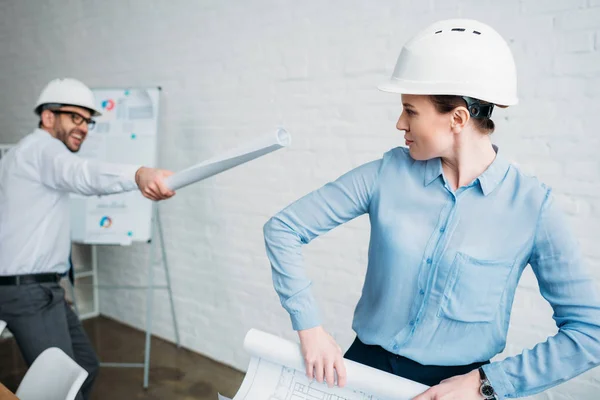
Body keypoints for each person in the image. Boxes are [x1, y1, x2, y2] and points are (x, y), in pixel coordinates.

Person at [263, 19, 600, 400]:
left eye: (411, 110)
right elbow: (283, 229)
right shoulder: (387, 173)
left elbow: (590, 332)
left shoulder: (533, 207)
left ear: (457, 118)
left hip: (457, 390)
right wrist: (310, 328)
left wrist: (486, 384)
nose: (399, 123)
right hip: (360, 372)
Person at [0, 78, 175, 400]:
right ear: (48, 117)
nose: (84, 127)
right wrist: (139, 174)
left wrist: (54, 283)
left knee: (85, 366)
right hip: (29, 292)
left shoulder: (20, 156)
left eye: (88, 120)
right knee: (58, 391)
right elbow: (82, 174)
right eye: (75, 117)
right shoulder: (43, 149)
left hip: (40, 287)